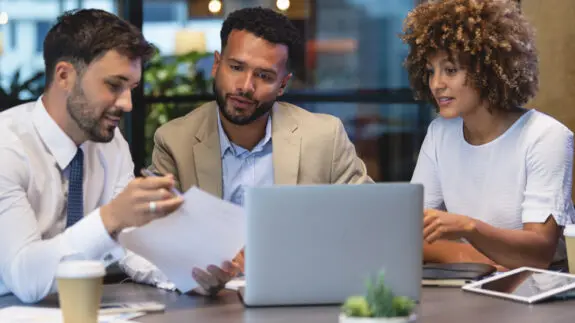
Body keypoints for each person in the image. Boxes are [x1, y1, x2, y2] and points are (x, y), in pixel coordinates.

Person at [120, 6, 373, 296]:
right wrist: (197, 274)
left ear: (282, 85)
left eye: (264, 76)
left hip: (300, 294)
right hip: (210, 303)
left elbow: (367, 222)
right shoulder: (175, 140)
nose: (244, 87)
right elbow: (153, 242)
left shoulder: (324, 137)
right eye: (236, 67)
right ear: (217, 65)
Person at [0, 9, 183, 303]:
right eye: (113, 85)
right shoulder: (5, 148)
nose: (127, 104)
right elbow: (25, 277)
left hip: (86, 304)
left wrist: (190, 272)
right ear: (64, 76)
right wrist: (111, 217)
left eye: (131, 89)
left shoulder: (110, 143)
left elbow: (131, 243)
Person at [400, 0, 575, 270]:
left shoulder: (545, 137)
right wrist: (482, 261)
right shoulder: (439, 134)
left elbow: (538, 254)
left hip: (540, 295)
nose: (436, 84)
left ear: (488, 68)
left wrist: (468, 227)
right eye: (430, 71)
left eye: (450, 70)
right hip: (474, 283)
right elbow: (409, 235)